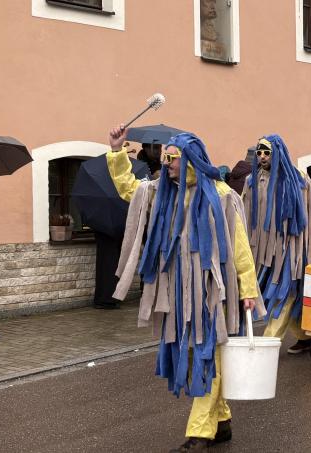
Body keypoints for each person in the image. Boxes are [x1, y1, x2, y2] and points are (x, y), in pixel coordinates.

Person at [106, 124, 260, 452]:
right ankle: (222, 421)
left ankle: (199, 432)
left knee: (208, 355)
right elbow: (130, 190)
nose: (166, 164)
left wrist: (248, 289)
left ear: (191, 158)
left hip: (213, 292)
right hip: (177, 292)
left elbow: (240, 247)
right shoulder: (162, 191)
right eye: (165, 157)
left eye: (172, 158)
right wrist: (118, 152)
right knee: (192, 356)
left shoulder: (223, 195)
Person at [243, 137, 311, 353]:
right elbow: (243, 211)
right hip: (265, 252)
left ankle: (266, 347)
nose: (262, 157)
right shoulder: (252, 181)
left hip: (293, 250)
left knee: (285, 293)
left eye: (267, 153)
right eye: (259, 153)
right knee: (281, 295)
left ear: (277, 153)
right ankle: (305, 337)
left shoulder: (298, 179)